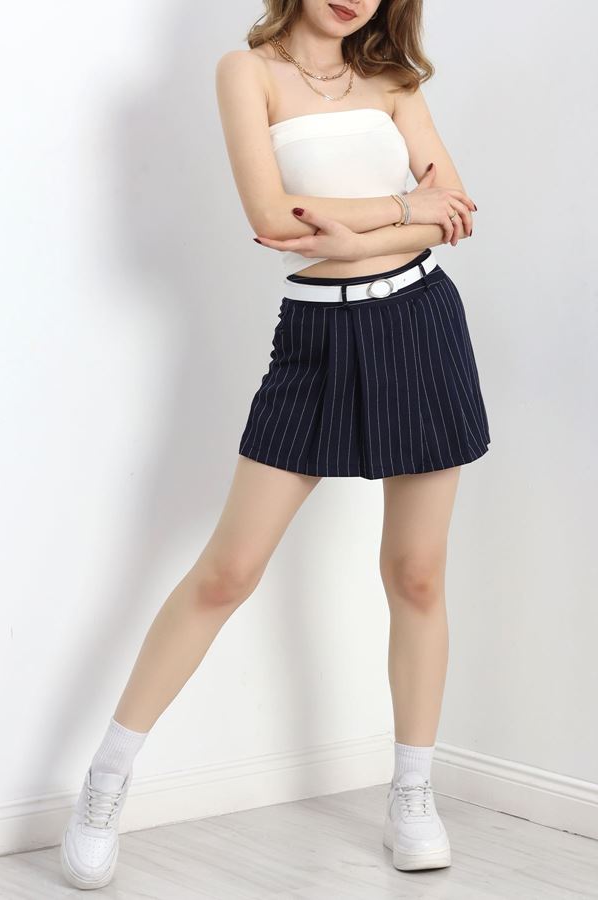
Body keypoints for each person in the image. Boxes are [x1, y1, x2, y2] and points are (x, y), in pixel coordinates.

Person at [60, 0, 491, 888]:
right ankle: (103, 786)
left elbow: (454, 214)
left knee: (416, 574)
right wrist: (401, 205)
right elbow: (271, 212)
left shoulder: (395, 82)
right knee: (227, 572)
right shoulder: (246, 73)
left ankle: (412, 794)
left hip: (421, 324)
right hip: (316, 337)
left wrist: (366, 223)